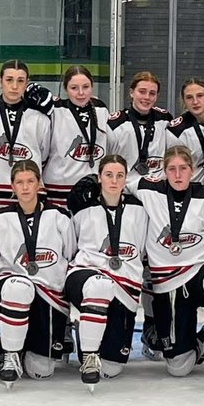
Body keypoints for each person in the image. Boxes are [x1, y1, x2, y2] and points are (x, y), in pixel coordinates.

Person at [137, 145, 204, 386]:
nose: (178, 174)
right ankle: (202, 339)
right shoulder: (148, 189)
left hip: (202, 268)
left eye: (183, 168)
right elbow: (116, 182)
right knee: (178, 368)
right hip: (168, 281)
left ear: (192, 170)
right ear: (164, 172)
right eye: (171, 169)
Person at [0, 159, 74, 385]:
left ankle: (19, 344)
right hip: (12, 286)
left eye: (30, 181)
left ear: (39, 184)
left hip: (49, 294)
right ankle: (11, 354)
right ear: (12, 186)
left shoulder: (59, 216)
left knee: (41, 371)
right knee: (18, 287)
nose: (25, 187)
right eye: (20, 182)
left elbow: (69, 253)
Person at [65, 155, 151, 388]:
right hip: (86, 275)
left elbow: (142, 249)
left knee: (112, 369)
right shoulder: (83, 207)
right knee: (99, 285)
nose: (114, 181)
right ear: (99, 177)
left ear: (126, 179)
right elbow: (71, 246)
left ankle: (86, 329)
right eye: (108, 175)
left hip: (124, 286)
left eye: (119, 175)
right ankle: (89, 357)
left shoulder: (140, 209)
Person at [0, 60, 53, 206]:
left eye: (20, 81)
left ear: (27, 83)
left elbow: (42, 157)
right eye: (9, 80)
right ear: (0, 81)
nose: (14, 86)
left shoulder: (39, 115)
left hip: (26, 197)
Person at [43, 65, 110, 209]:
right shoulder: (55, 110)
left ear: (92, 86)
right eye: (74, 88)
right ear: (65, 89)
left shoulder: (101, 109)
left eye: (86, 87)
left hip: (91, 190)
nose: (81, 93)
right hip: (58, 190)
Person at [106, 70, 178, 191]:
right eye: (142, 91)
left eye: (152, 93)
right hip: (126, 191)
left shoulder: (165, 120)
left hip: (158, 191)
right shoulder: (115, 124)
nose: (146, 97)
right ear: (131, 92)